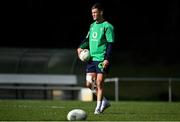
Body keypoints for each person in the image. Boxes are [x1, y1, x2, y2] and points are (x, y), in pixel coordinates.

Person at [77, 3, 115, 114]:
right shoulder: (92, 25)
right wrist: (80, 47)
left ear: (101, 12)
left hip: (102, 59)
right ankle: (104, 101)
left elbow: (110, 44)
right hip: (91, 59)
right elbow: (87, 39)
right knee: (89, 84)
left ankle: (98, 108)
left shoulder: (108, 26)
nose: (93, 14)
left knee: (99, 83)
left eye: (95, 12)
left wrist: (107, 59)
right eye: (92, 13)